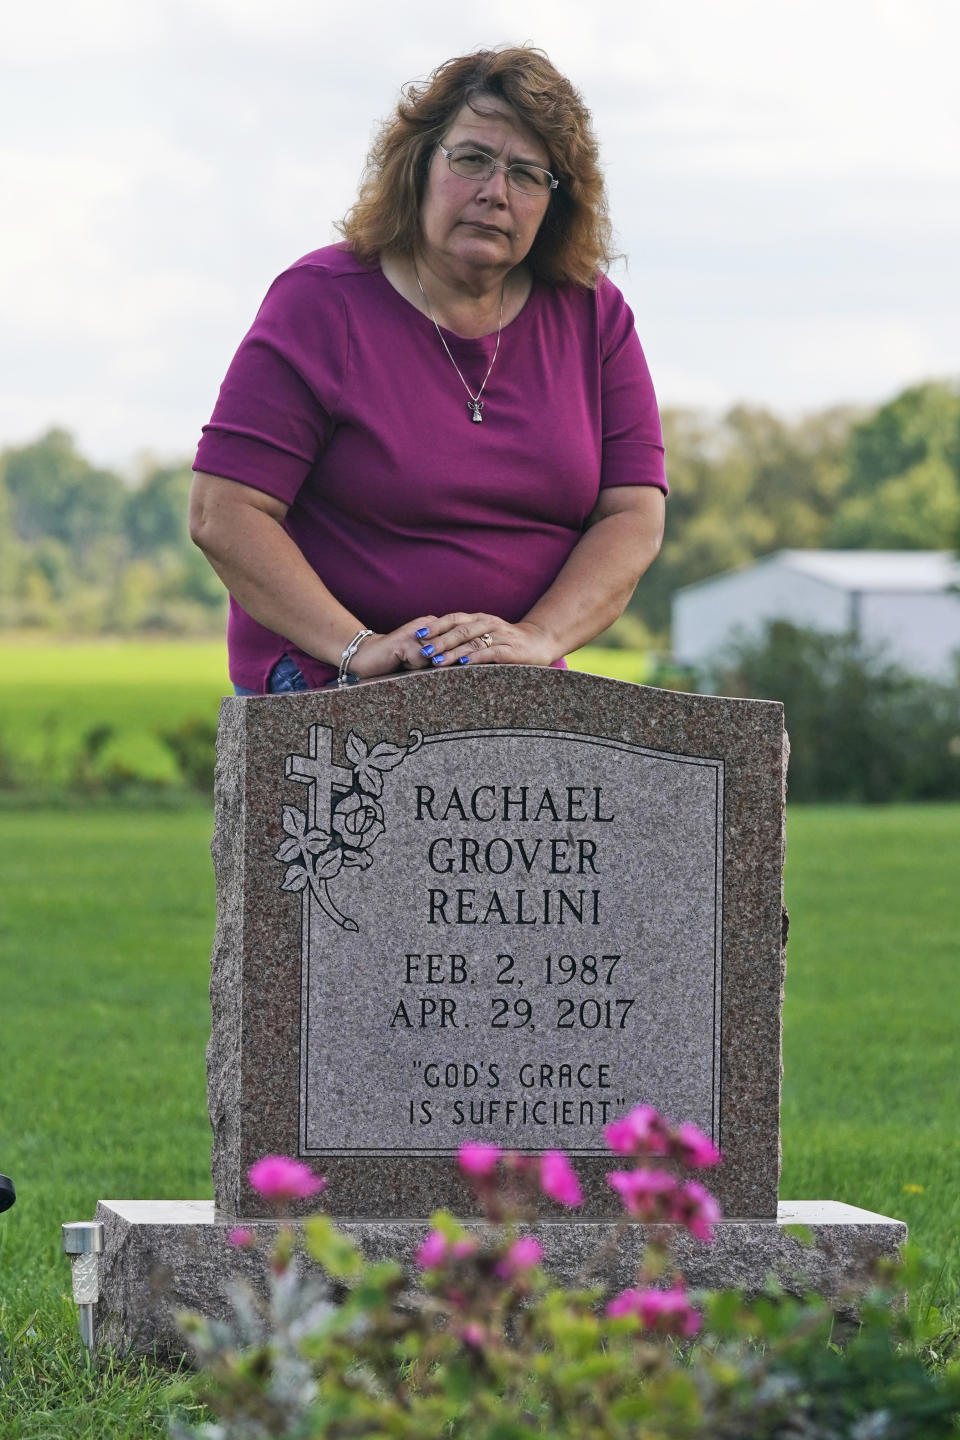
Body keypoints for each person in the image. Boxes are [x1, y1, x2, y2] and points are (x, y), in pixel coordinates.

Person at [189, 46, 667, 694]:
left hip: (515, 680)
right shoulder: (320, 303)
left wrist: (539, 638)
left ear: (554, 203)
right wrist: (360, 648)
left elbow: (633, 514)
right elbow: (224, 510)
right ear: (419, 165)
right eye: (472, 159)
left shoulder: (594, 315)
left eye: (527, 174)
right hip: (329, 670)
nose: (494, 193)